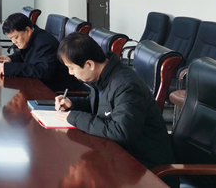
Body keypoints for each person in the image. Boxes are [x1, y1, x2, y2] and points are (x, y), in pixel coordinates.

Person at [54, 32, 175, 170]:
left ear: (89, 64)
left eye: (71, 68)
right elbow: (102, 106)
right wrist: (73, 103)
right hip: (119, 155)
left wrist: (74, 117)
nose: (70, 73)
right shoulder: (103, 76)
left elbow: (121, 131)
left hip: (143, 165)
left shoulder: (126, 86)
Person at [0, 13, 82, 91]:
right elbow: (25, 55)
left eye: (16, 37)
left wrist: (10, 68)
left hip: (55, 92)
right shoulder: (32, 38)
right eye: (11, 39)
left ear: (27, 30)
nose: (14, 42)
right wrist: (10, 59)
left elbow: (42, 71)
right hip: (39, 86)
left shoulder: (45, 43)